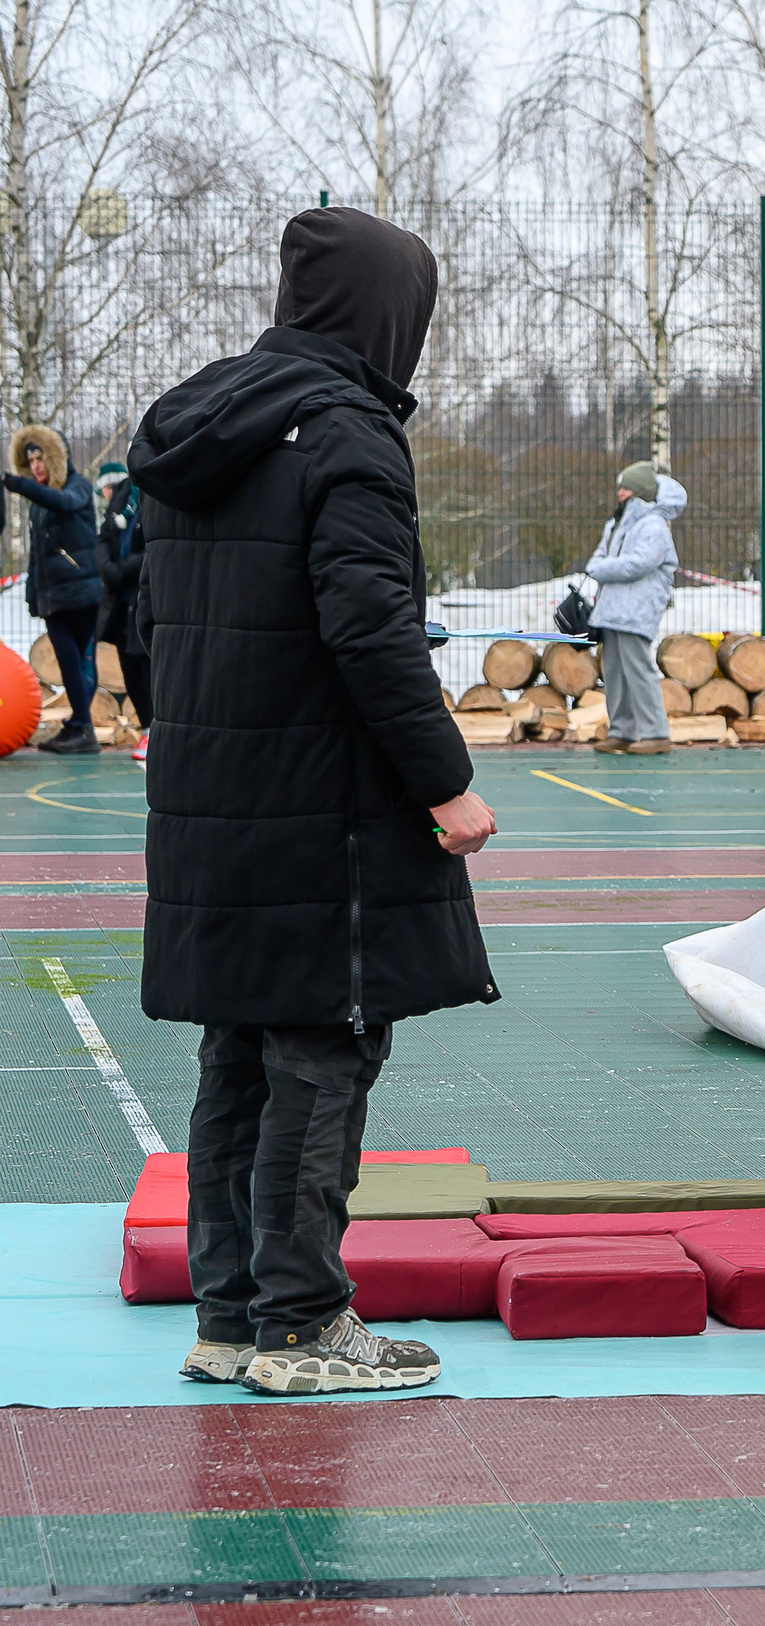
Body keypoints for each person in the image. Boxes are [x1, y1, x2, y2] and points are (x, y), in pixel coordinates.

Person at [129, 205, 499, 1397]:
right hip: (322, 808)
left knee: (236, 1050)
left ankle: (230, 1317)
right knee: (322, 1052)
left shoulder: (200, 426)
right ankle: (303, 1326)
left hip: (212, 800)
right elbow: (369, 626)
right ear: (389, 316)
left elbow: (149, 617)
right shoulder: (344, 431)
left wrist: (174, 727)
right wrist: (447, 783)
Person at [8, 425, 105, 754]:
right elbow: (37, 557)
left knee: (78, 661)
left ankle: (83, 728)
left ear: (55, 457)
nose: (35, 465)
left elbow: (64, 502)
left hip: (81, 592)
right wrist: (33, 595)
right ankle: (79, 725)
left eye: (40, 457)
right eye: (30, 459)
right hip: (54, 597)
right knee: (68, 662)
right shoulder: (37, 504)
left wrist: (19, 485)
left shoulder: (77, 486)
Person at [584, 461, 686, 755]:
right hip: (612, 610)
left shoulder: (652, 525)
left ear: (640, 492)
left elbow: (639, 564)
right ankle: (622, 730)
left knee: (639, 670)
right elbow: (601, 557)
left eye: (626, 487)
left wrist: (601, 568)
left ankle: (655, 733)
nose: (620, 493)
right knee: (614, 671)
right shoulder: (615, 525)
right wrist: (601, 566)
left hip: (636, 611)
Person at [96, 460, 152, 763]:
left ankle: (156, 727)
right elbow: (104, 537)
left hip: (142, 594)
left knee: (147, 666)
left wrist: (127, 568)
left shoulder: (153, 494)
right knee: (129, 667)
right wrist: (108, 568)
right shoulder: (120, 499)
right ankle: (147, 727)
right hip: (119, 599)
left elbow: (154, 547)